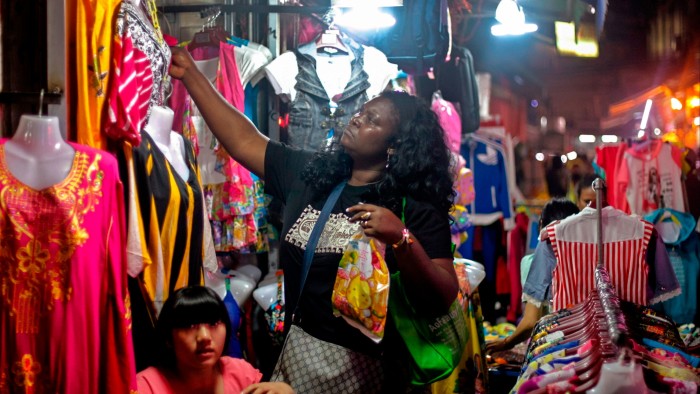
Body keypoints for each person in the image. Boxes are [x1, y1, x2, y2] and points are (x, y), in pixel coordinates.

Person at [169, 47, 459, 390]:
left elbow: (443, 294)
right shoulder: (312, 176)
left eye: (372, 121)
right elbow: (243, 140)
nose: (356, 119)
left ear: (395, 146)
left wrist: (401, 238)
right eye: (361, 113)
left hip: (375, 374)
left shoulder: (415, 205)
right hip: (302, 357)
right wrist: (190, 74)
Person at [136, 286, 294, 394]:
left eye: (214, 324)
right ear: (168, 337)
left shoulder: (241, 374)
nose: (204, 336)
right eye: (189, 325)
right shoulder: (146, 386)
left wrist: (285, 389)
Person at [485, 198, 579, 353]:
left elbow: (530, 322)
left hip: (552, 346)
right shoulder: (590, 257)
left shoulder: (533, 261)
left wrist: (506, 343)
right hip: (586, 342)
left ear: (541, 224)